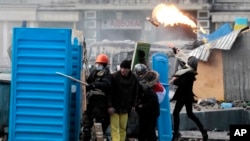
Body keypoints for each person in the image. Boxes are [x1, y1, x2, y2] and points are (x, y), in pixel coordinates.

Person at [169, 56, 208, 141]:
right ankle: (203, 130)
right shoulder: (190, 72)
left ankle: (176, 134)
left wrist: (174, 81)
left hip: (183, 96)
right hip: (187, 96)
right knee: (190, 114)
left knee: (176, 113)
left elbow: (181, 83)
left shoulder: (189, 73)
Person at [82, 53, 112, 141]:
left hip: (100, 104)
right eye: (97, 64)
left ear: (104, 65)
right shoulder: (94, 73)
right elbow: (88, 82)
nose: (98, 65)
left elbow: (106, 84)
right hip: (90, 102)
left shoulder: (107, 75)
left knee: (98, 125)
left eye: (100, 64)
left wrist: (94, 85)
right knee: (86, 124)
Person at [107, 59, 139, 141]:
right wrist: (110, 106)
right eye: (122, 68)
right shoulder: (114, 76)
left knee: (123, 128)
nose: (123, 70)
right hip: (114, 107)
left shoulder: (134, 78)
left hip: (125, 108)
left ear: (129, 69)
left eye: (125, 68)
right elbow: (109, 93)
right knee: (115, 128)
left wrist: (133, 105)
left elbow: (135, 92)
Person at [135, 68, 160, 141]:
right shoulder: (143, 84)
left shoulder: (147, 88)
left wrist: (142, 106)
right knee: (144, 131)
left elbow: (153, 103)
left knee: (149, 132)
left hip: (150, 113)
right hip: (145, 112)